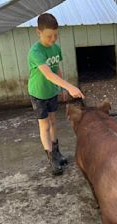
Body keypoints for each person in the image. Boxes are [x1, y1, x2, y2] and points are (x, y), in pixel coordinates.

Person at [28, 13, 85, 175]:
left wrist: (61, 89)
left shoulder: (56, 48)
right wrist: (70, 87)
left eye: (56, 35)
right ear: (38, 32)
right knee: (44, 125)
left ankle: (57, 152)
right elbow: (48, 75)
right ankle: (51, 159)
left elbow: (56, 69)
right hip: (38, 93)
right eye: (49, 36)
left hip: (52, 91)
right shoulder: (35, 52)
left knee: (53, 122)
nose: (53, 39)